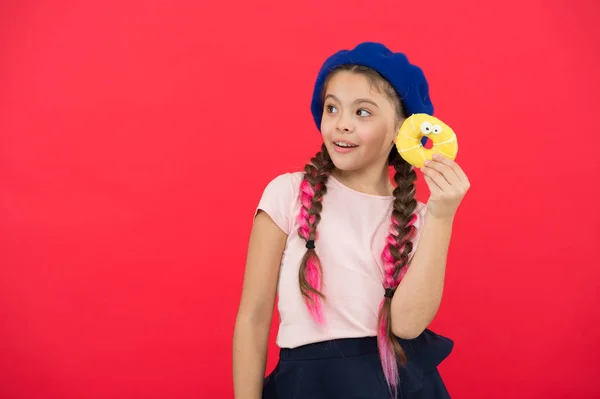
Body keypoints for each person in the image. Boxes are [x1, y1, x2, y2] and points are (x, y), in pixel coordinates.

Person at [232, 42, 471, 399]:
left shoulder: (421, 219)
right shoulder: (288, 193)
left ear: (402, 130)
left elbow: (406, 325)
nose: (342, 124)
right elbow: (252, 319)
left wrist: (442, 216)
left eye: (363, 112)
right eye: (332, 108)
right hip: (308, 386)